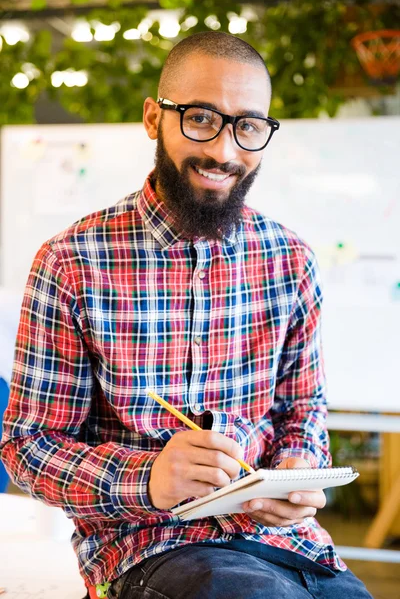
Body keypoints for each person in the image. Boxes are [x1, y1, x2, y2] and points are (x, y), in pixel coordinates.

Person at [0, 31, 373, 599]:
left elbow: (303, 410)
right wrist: (148, 478)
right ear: (154, 118)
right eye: (200, 118)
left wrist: (299, 465)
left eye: (248, 126)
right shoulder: (71, 262)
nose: (224, 151)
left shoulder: (289, 259)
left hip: (289, 544)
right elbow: (28, 446)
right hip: (150, 547)